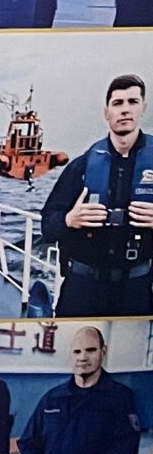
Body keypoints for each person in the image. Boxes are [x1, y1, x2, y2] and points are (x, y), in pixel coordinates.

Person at [39, 74, 153, 318]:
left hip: (137, 289)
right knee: (72, 341)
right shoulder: (81, 166)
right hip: (82, 288)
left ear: (143, 108)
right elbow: (47, 225)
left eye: (132, 102)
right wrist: (69, 220)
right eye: (117, 103)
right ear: (106, 112)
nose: (125, 110)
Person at [17, 326, 144, 454]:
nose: (82, 358)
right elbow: (27, 443)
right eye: (77, 352)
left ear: (103, 351)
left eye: (91, 350)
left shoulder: (120, 397)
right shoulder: (52, 398)